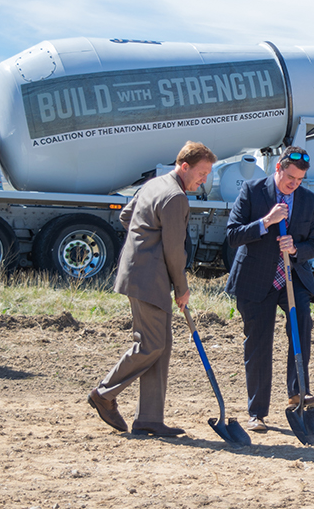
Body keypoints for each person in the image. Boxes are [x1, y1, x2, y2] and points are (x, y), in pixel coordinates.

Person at [88, 141, 217, 436]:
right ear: (184, 167)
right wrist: (182, 288)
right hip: (150, 278)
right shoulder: (175, 198)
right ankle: (104, 393)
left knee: (160, 345)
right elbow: (174, 250)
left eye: (207, 174)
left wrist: (143, 244)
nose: (204, 179)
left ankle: (149, 418)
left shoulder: (154, 185)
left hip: (141, 274)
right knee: (151, 344)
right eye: (201, 173)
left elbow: (126, 217)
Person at [225, 146, 314, 433]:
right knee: (259, 344)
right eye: (290, 178)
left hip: (292, 277)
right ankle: (257, 412)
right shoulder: (253, 191)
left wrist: (295, 248)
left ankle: (298, 391)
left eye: (300, 180)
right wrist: (266, 222)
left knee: (302, 322)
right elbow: (232, 235)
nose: (294, 185)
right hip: (256, 279)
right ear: (278, 169)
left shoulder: (310, 201)